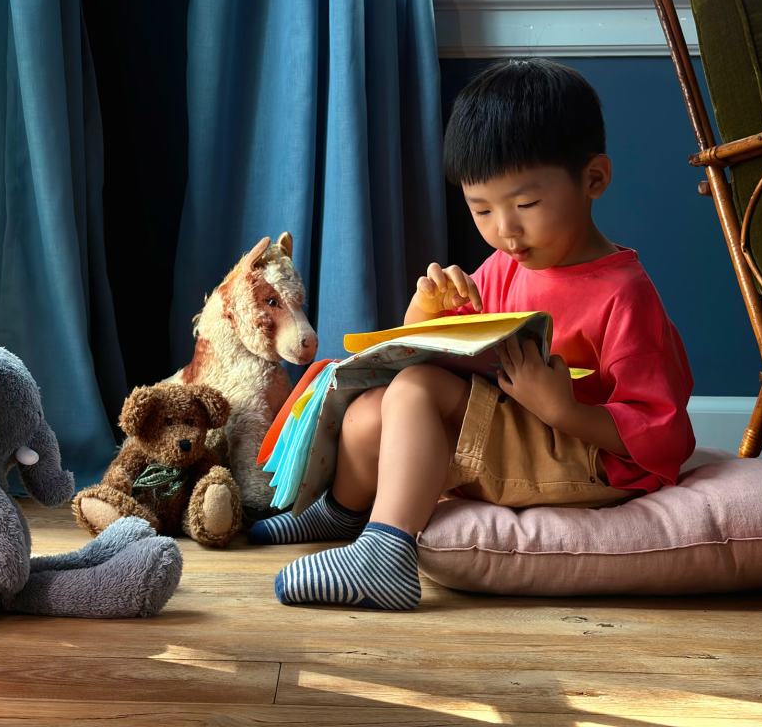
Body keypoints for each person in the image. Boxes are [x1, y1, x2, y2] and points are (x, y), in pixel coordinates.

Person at [248, 58, 696, 610]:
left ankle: (387, 553)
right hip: (515, 434)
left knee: (416, 392)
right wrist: (424, 316)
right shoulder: (504, 267)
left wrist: (564, 411)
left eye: (526, 205)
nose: (505, 231)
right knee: (375, 407)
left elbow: (666, 434)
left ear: (594, 179)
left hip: (584, 455)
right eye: (480, 209)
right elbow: (434, 355)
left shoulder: (624, 292)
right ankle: (344, 514)